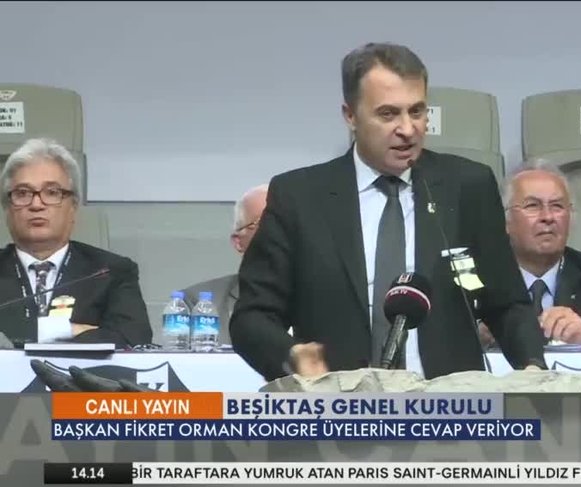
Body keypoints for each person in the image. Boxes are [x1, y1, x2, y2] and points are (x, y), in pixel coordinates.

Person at [230, 42, 547, 381]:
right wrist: (291, 355)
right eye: (388, 114)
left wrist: (532, 366)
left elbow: (507, 303)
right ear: (350, 115)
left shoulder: (468, 187)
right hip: (341, 402)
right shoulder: (300, 197)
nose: (408, 129)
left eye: (417, 111)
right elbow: (252, 317)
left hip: (448, 403)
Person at [0, 138, 152, 347]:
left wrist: (45, 331)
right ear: (7, 209)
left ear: (73, 207)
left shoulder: (110, 272)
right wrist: (71, 330)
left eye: (52, 192)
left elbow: (134, 341)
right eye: (22, 193)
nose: (36, 204)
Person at [479, 163, 581, 349]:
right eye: (532, 206)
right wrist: (477, 338)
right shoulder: (480, 276)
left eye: (557, 206)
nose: (548, 217)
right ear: (504, 220)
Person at [181, 184, 267, 343]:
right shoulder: (198, 302)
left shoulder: (318, 298)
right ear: (239, 242)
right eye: (265, 222)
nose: (281, 233)